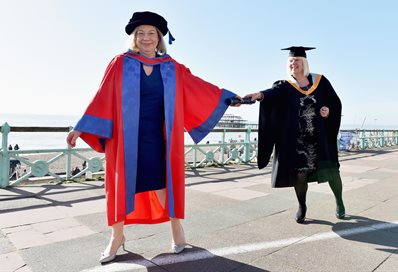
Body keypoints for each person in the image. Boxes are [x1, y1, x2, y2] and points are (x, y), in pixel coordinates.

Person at [66, 11, 238, 263]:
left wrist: (228, 98)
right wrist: (81, 127)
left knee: (162, 185)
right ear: (134, 38)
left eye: (152, 34)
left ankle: (177, 231)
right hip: (125, 140)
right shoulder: (120, 63)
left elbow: (199, 88)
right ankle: (116, 237)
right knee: (121, 187)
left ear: (159, 38)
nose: (146, 38)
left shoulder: (172, 68)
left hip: (159, 140)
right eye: (141, 33)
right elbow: (101, 96)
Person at [244, 46, 345, 224]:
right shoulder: (285, 86)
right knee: (300, 175)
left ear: (304, 62)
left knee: (332, 172)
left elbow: (335, 103)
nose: (293, 64)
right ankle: (302, 206)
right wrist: (259, 95)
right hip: (298, 142)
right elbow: (271, 94)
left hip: (320, 139)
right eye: (290, 61)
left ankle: (339, 202)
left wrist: (328, 111)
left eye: (297, 60)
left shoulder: (321, 82)